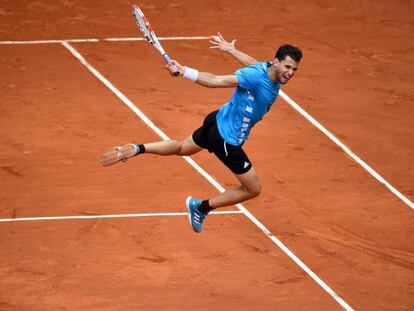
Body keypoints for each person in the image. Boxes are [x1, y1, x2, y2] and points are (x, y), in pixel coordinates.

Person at [101, 33, 302, 233]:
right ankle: (201, 207)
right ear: (276, 62)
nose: (290, 72)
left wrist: (232, 50)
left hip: (216, 120)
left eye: (294, 69)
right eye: (287, 67)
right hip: (227, 140)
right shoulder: (255, 77)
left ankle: (138, 148)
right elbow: (215, 80)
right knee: (253, 189)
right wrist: (184, 71)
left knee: (181, 148)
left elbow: (253, 62)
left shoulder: (266, 68)